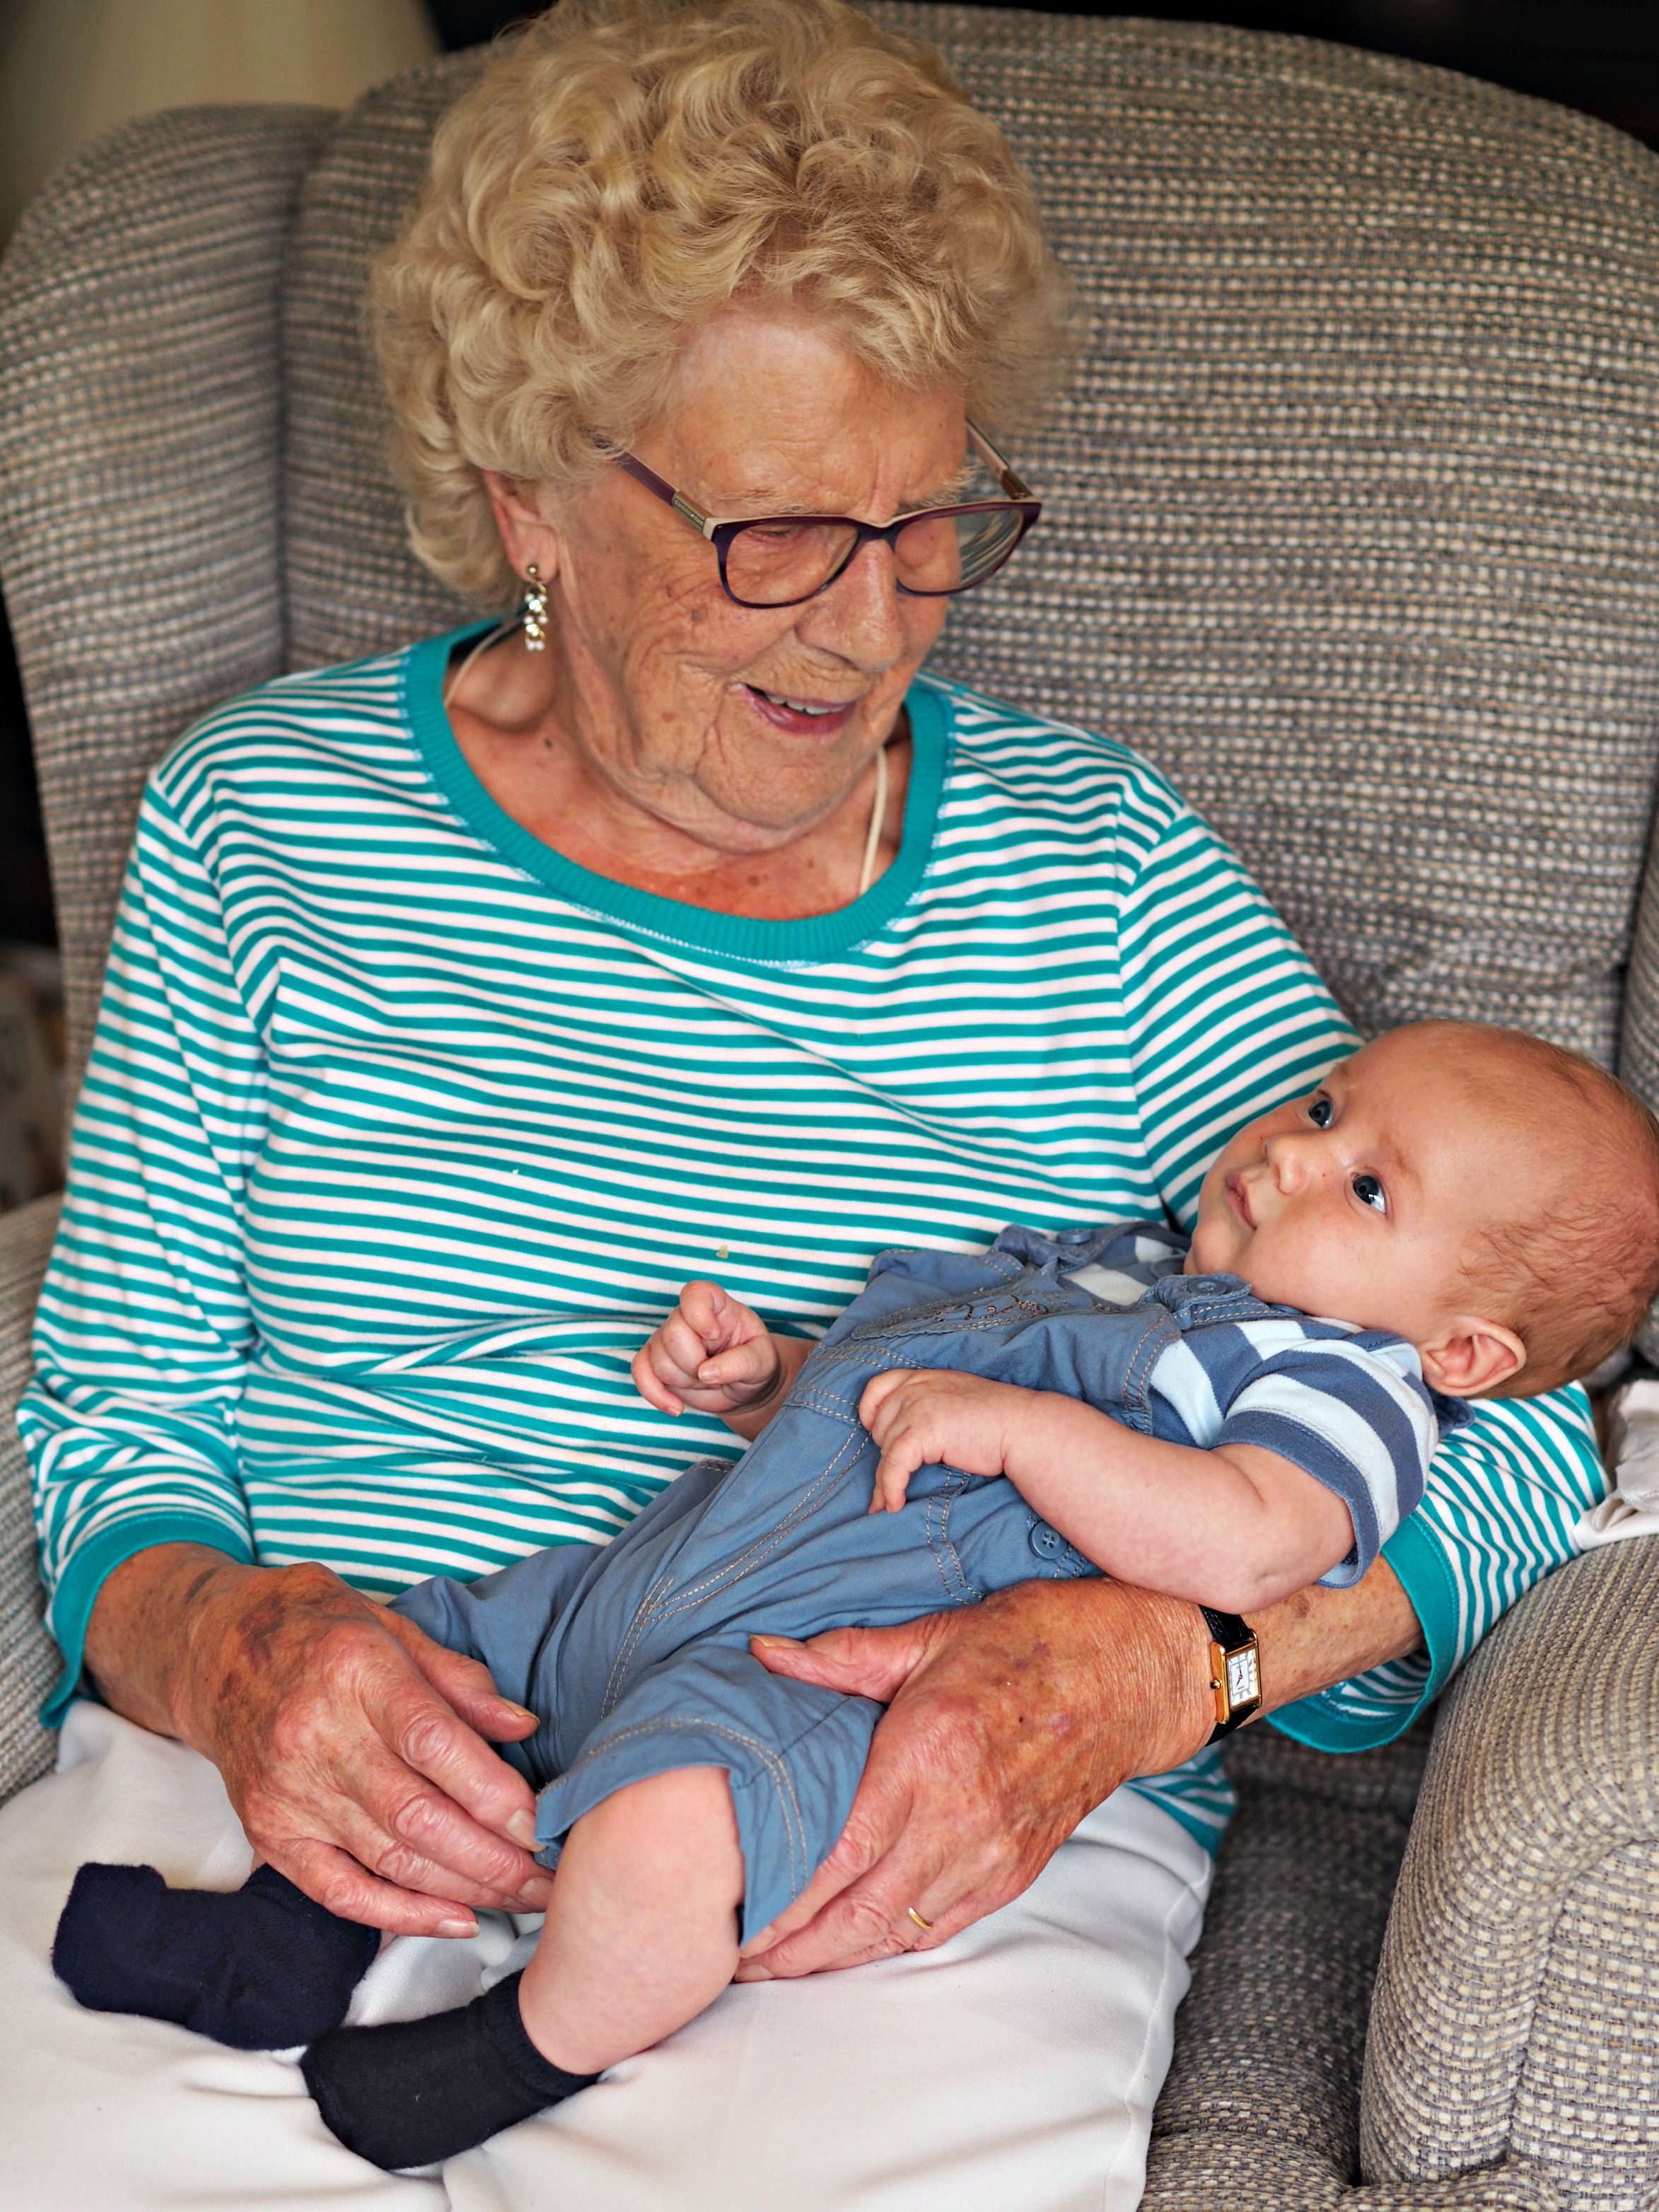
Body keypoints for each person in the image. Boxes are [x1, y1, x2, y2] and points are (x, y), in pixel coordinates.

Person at [0, 1, 1612, 2206]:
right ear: (529, 496)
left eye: (927, 520)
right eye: (775, 532)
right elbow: (121, 1400)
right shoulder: (260, 827)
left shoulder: (1101, 884)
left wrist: (1186, 1662)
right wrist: (226, 1644)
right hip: (340, 1742)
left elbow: (1519, 1396)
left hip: (877, 1764)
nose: (868, 631)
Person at [52, 1020, 1659, 2176]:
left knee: (682, 1814)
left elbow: (1249, 1547)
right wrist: (776, 1388)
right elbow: (906, 1396)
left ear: (1463, 1352)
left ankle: (517, 2047)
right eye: (1323, 1104)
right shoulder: (1130, 1269)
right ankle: (284, 1933)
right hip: (656, 1569)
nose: (1295, 1147)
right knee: (409, 1661)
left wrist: (1029, 1431)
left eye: (1368, 1187)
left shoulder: (1345, 1385)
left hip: (820, 1666)